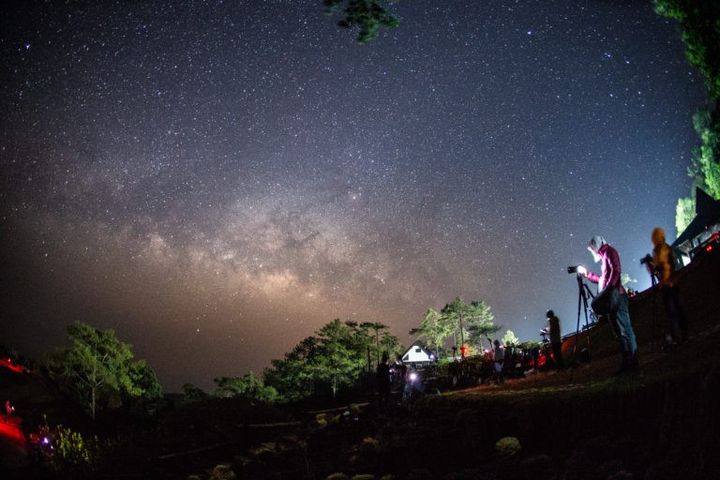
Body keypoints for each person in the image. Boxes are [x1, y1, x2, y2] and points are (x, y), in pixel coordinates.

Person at [578, 235, 638, 374]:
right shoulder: (604, 257)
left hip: (617, 297)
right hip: (611, 298)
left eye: (592, 249)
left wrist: (609, 289)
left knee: (625, 330)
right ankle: (627, 362)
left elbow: (616, 270)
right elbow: (602, 280)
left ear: (596, 246)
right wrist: (587, 274)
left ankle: (633, 362)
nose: (592, 252)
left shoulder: (609, 251)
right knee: (619, 332)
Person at [649, 227, 688, 347]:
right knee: (678, 310)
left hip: (667, 285)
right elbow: (671, 264)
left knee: (671, 312)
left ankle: (677, 337)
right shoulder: (667, 247)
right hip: (673, 283)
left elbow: (660, 267)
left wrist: (653, 266)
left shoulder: (658, 250)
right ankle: (683, 335)